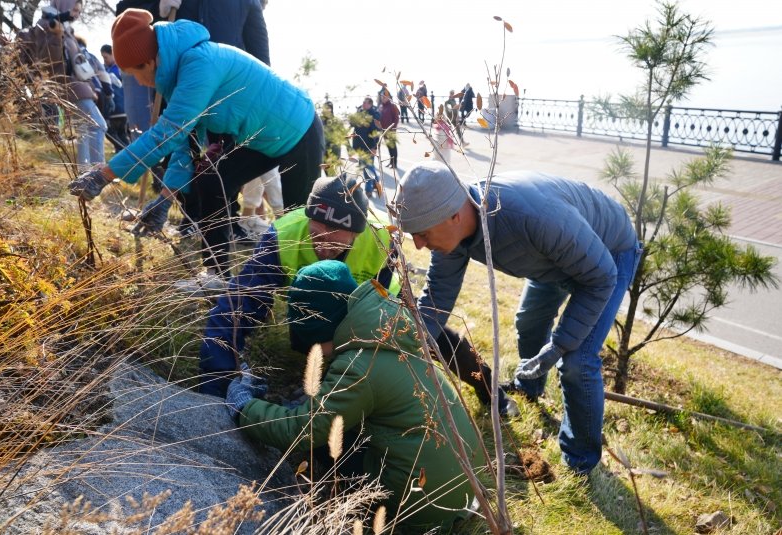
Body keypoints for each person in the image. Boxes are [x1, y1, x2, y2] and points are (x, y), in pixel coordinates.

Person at [394, 161, 641, 475]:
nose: (417, 244)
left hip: (608, 254)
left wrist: (559, 345)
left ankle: (580, 461)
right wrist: (402, 344)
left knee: (577, 360)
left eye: (422, 233)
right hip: (549, 259)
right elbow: (436, 303)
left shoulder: (532, 217)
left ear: (454, 216)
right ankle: (530, 386)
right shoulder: (451, 228)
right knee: (529, 321)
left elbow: (601, 276)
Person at [225, 260, 484, 532]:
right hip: (464, 488)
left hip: (419, 504)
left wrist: (244, 406)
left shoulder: (359, 366)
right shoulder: (390, 333)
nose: (317, 355)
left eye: (314, 346)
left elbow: (301, 429)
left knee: (325, 438)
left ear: (324, 330)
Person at [68, 9, 324, 280]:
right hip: (261, 138)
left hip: (298, 128)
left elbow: (167, 134)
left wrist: (105, 174)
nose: (139, 82)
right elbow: (184, 145)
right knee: (212, 179)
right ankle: (216, 275)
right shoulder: (181, 74)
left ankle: (311, 284)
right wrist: (164, 202)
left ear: (149, 62)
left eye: (134, 74)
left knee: (302, 218)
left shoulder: (200, 63)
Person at [198, 174, 397, 397]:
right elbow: (240, 302)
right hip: (308, 312)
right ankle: (309, 350)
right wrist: (216, 376)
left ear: (355, 234)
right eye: (316, 236)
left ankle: (332, 371)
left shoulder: (383, 240)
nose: (323, 249)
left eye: (334, 242)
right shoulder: (283, 235)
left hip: (366, 310)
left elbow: (383, 318)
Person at [17, 0, 107, 169]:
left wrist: (92, 87)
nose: (76, 15)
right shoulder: (46, 25)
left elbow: (78, 64)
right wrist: (55, 35)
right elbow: (48, 62)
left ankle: (85, 171)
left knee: (83, 129)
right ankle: (98, 172)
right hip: (66, 84)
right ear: (64, 6)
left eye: (79, 12)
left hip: (77, 85)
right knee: (98, 125)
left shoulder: (67, 28)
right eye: (74, 10)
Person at [100, 44, 130, 151]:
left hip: (116, 109)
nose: (104, 60)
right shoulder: (116, 69)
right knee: (122, 135)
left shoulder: (114, 71)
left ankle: (126, 153)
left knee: (111, 133)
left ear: (113, 54)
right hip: (124, 109)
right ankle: (129, 158)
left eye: (105, 57)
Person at [349, 97, 380, 198]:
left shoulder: (374, 115)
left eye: (365, 103)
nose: (363, 104)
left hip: (369, 146)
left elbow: (376, 132)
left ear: (370, 104)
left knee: (368, 168)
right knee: (366, 167)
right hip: (359, 146)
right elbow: (352, 124)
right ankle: (376, 182)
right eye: (362, 102)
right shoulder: (360, 112)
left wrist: (374, 147)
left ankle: (368, 190)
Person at [377, 89, 400, 169]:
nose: (382, 98)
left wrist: (393, 129)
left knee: (393, 147)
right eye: (382, 97)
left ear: (389, 97)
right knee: (389, 147)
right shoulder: (381, 106)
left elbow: (396, 118)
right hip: (384, 130)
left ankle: (394, 163)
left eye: (384, 97)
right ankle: (391, 161)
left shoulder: (392, 106)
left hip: (391, 130)